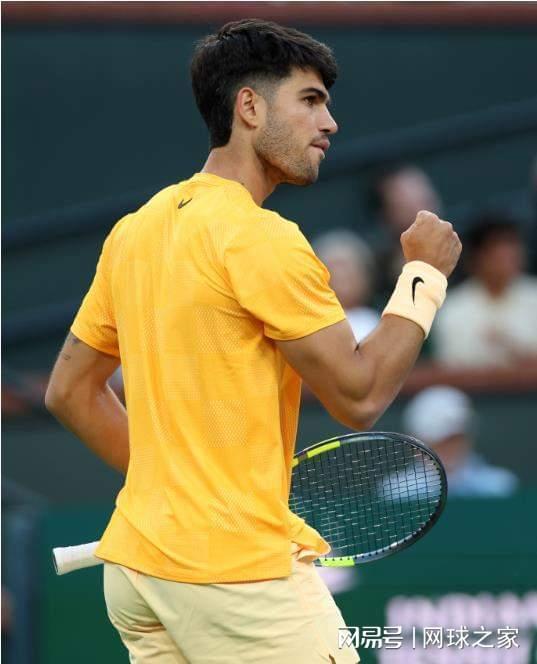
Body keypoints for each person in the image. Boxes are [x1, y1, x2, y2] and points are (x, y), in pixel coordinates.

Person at [44, 19, 461, 664]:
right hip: (234, 577)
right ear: (249, 107)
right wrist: (424, 275)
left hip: (138, 569)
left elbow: (70, 392)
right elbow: (360, 394)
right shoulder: (260, 237)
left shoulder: (135, 231)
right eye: (310, 100)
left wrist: (178, 493)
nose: (330, 123)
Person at [433, 214, 537, 367]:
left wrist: (512, 347)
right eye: (497, 253)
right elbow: (451, 364)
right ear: (477, 258)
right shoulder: (453, 308)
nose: (507, 258)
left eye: (512, 248)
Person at [402, 386, 519, 497]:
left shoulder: (501, 485)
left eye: (455, 439)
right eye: (440, 441)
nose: (450, 447)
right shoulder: (399, 492)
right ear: (416, 443)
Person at [366, 164, 443, 301]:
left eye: (425, 201)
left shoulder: (466, 252)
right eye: (407, 207)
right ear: (386, 215)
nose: (425, 213)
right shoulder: (376, 273)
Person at [312, 229, 379, 341]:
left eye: (347, 268)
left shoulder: (377, 322)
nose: (341, 275)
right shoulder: (310, 325)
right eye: (334, 268)